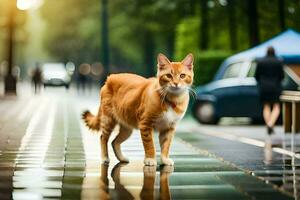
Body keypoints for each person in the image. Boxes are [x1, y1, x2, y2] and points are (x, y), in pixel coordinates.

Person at [255, 46, 284, 135]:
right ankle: (271, 124)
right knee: (276, 106)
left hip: (264, 87)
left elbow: (256, 76)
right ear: (274, 52)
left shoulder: (260, 61)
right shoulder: (279, 61)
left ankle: (268, 124)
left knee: (266, 106)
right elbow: (282, 76)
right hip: (275, 86)